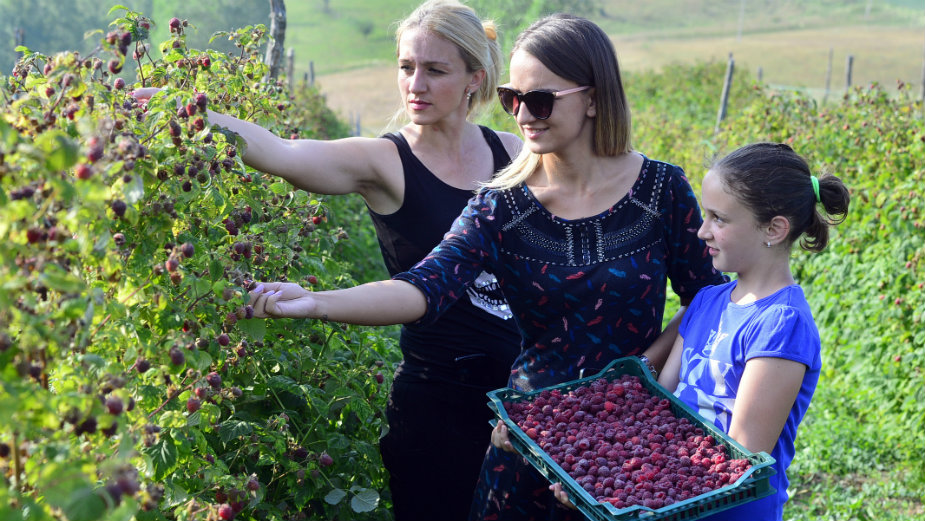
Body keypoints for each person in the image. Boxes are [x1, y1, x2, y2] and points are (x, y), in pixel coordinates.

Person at [246, 13, 726, 520]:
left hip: (626, 444)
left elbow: (709, 298)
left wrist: (643, 380)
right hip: (527, 442)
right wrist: (317, 303)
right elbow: (424, 288)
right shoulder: (501, 205)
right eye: (512, 99)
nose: (524, 116)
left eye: (540, 100)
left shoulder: (660, 191)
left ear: (592, 97)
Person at [135, 2, 523, 520]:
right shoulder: (384, 161)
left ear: (475, 77)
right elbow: (285, 154)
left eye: (435, 70)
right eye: (407, 67)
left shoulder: (513, 153)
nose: (415, 84)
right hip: (439, 405)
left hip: (525, 397)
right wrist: (186, 108)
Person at [652, 142, 850, 520]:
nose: (701, 232)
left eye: (719, 219)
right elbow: (660, 404)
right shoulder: (707, 301)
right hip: (672, 497)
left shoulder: (781, 324)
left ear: (773, 229)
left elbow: (741, 456)